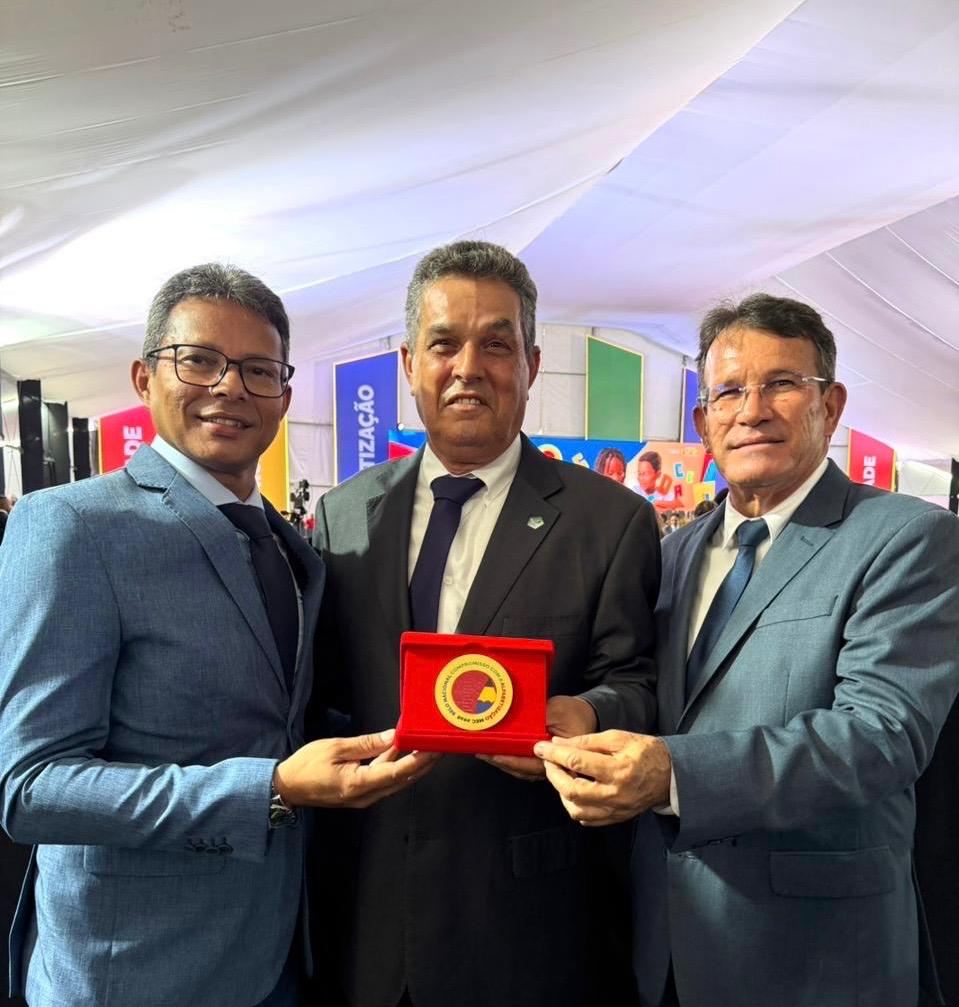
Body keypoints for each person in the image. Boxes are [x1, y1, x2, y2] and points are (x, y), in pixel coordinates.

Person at [0, 264, 435, 1007]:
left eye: (258, 370)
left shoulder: (293, 547)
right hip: (136, 970)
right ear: (144, 377)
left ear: (284, 397)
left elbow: (283, 716)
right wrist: (271, 788)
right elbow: (33, 788)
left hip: (281, 950)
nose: (230, 387)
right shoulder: (74, 526)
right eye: (199, 360)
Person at [535, 293, 959, 1007]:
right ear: (703, 421)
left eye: (782, 383)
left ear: (831, 404)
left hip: (817, 956)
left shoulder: (906, 538)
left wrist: (674, 774)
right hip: (670, 944)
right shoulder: (673, 555)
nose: (752, 410)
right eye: (729, 391)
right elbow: (653, 691)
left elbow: (881, 734)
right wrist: (590, 714)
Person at [309, 240, 661, 1007]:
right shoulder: (344, 514)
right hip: (371, 918)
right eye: (444, 344)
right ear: (410, 364)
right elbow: (327, 692)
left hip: (527, 925)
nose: (468, 367)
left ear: (530, 365)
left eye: (496, 345)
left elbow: (636, 682)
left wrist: (585, 713)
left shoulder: (608, 521)